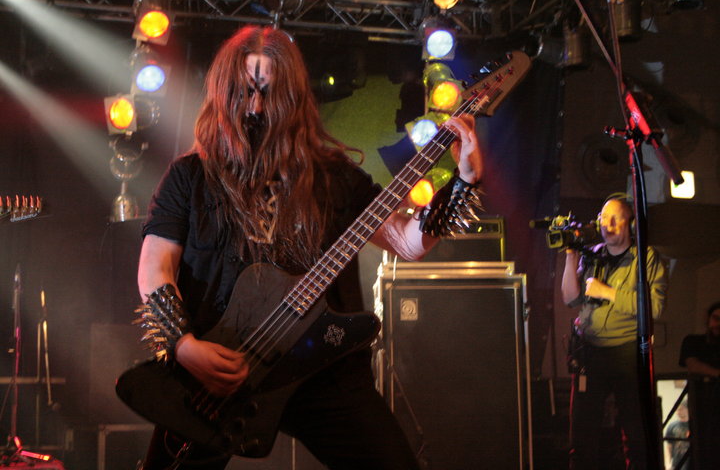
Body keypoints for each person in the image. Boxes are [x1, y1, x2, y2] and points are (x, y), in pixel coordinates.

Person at [133, 25, 484, 470]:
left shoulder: (334, 178)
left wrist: (464, 181)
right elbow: (155, 268)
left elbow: (407, 242)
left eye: (269, 93)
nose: (256, 107)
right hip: (217, 370)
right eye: (244, 92)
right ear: (223, 93)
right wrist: (183, 346)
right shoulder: (189, 177)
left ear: (293, 98)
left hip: (321, 370)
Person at [561, 196, 668, 470]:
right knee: (582, 433)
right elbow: (570, 299)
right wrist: (571, 256)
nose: (607, 225)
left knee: (636, 432)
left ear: (630, 223)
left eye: (615, 218)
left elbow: (654, 308)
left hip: (626, 353)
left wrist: (607, 293)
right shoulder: (593, 253)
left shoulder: (646, 258)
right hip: (589, 352)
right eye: (603, 218)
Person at [678, 301, 720, 469]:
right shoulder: (693, 341)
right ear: (708, 319)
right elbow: (692, 364)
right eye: (716, 318)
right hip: (700, 405)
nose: (718, 324)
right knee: (700, 447)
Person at [663, 399, 690, 470]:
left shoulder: (694, 425)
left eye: (681, 409)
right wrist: (668, 464)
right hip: (677, 464)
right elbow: (668, 448)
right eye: (677, 410)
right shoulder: (672, 426)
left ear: (687, 409)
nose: (678, 412)